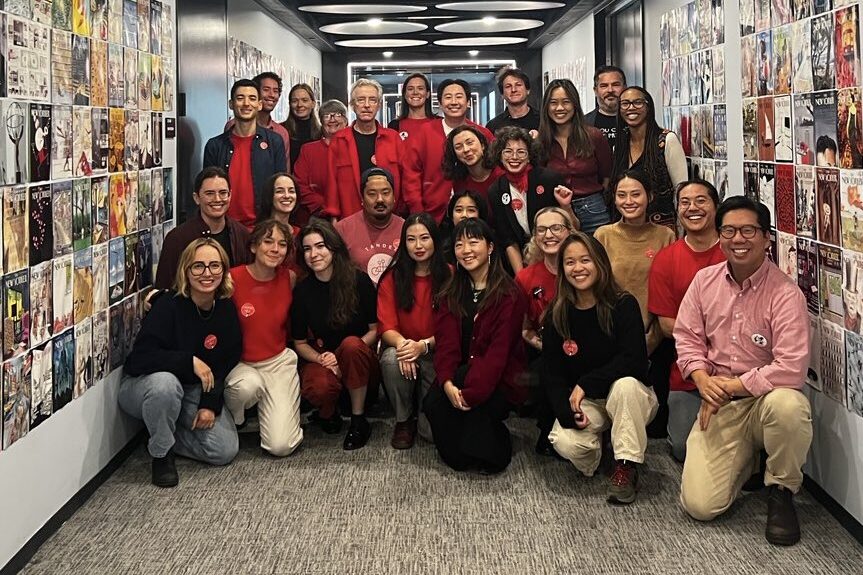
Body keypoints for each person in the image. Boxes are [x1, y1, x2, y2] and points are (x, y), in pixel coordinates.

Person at [675, 196, 812, 546]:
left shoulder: (785, 293)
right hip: (721, 404)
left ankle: (781, 490)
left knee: (790, 406)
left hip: (764, 399)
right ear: (719, 236)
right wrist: (704, 381)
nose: (738, 239)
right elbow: (686, 338)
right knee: (700, 505)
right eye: (729, 231)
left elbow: (791, 369)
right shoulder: (704, 282)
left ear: (767, 238)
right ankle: (749, 461)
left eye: (748, 230)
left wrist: (730, 386)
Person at [543, 232, 657, 505]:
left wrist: (586, 383)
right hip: (590, 403)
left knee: (625, 385)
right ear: (562, 269)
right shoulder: (557, 312)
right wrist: (567, 413)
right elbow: (551, 372)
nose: (578, 268)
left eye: (585, 260)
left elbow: (634, 360)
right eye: (570, 262)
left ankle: (626, 464)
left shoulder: (623, 304)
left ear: (600, 263)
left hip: (631, 397)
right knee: (564, 441)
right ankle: (600, 453)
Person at [118, 238, 241, 487]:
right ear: (186, 270)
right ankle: (162, 454)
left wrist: (209, 405)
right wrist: (189, 361)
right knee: (166, 384)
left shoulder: (226, 309)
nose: (207, 273)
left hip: (192, 390)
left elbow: (224, 364)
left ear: (224, 270)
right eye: (198, 266)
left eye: (215, 266)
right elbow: (139, 358)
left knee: (223, 451)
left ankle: (160, 432)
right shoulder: (168, 306)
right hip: (146, 387)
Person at [423, 218, 527, 473]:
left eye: (474, 242)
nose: (466, 250)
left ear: (490, 247)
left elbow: (498, 355)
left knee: (487, 453)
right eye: (460, 244)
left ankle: (496, 441)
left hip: (499, 379)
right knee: (434, 406)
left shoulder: (509, 294)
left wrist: (470, 394)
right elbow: (446, 345)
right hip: (460, 374)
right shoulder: (450, 292)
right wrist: (447, 384)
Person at [647, 180, 725, 462]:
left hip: (738, 371)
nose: (692, 208)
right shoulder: (666, 260)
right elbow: (668, 327)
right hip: (689, 374)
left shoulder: (735, 252)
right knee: (683, 449)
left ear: (716, 206)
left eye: (701, 200)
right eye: (685, 202)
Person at [292, 220, 379, 450]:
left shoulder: (358, 280)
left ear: (333, 247)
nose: (314, 254)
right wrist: (322, 359)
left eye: (320, 246)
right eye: (308, 249)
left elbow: (374, 331)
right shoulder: (302, 290)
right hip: (324, 358)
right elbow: (299, 342)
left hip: (358, 359)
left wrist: (341, 359)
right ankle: (328, 412)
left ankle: (359, 421)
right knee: (318, 387)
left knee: (351, 345)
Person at [224, 220, 302, 457]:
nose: (275, 249)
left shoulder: (289, 278)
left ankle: (272, 412)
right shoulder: (231, 279)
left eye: (282, 244)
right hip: (240, 363)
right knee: (248, 387)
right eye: (268, 242)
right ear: (254, 246)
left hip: (277, 362)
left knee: (281, 446)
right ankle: (235, 417)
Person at [377, 213, 451, 449]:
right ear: (403, 243)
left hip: (435, 352)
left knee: (430, 434)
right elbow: (386, 327)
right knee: (390, 359)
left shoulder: (450, 274)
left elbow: (454, 327)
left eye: (424, 238)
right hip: (404, 351)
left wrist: (424, 345)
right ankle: (403, 419)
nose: (418, 246)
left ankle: (421, 406)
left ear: (435, 240)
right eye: (411, 239)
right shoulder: (393, 276)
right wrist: (404, 346)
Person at [515, 207, 578, 456]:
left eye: (556, 228)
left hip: (586, 351)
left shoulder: (582, 269)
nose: (548, 235)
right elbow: (524, 329)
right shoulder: (525, 277)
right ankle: (548, 426)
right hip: (545, 352)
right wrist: (549, 347)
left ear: (570, 232)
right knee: (547, 367)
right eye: (541, 229)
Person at [595, 171, 675, 357]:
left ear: (650, 196)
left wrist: (652, 338)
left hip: (656, 337)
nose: (628, 201)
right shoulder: (603, 235)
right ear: (614, 199)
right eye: (621, 195)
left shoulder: (666, 235)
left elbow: (669, 292)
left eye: (636, 194)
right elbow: (598, 289)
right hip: (613, 334)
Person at [487, 126, 578, 274]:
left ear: (529, 156)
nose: (514, 157)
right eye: (508, 152)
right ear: (500, 156)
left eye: (521, 152)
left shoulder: (549, 179)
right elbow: (508, 240)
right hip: (522, 260)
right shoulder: (495, 190)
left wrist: (565, 207)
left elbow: (574, 227)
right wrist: (523, 277)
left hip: (557, 254)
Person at [403, 79, 494, 222]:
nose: (453, 102)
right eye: (447, 97)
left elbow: (495, 172)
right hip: (433, 216)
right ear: (439, 103)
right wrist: (418, 212)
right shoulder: (424, 132)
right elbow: (411, 175)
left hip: (477, 216)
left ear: (468, 102)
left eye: (459, 97)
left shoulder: (483, 134)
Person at [203, 79, 287, 228]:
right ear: (231, 104)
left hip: (263, 227)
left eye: (252, 98)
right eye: (240, 98)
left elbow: (280, 187)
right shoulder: (215, 146)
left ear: (259, 104)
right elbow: (208, 190)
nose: (246, 103)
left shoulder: (275, 142)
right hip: (225, 227)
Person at [154, 167, 251, 290]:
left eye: (223, 193)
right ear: (196, 198)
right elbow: (164, 288)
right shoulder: (177, 239)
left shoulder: (242, 235)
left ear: (230, 195)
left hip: (232, 307)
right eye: (209, 193)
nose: (217, 199)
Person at [538, 79, 614, 233]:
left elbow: (607, 177)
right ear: (546, 107)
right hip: (555, 210)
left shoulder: (594, 136)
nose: (559, 108)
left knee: (596, 255)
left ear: (574, 104)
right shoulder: (540, 142)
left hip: (593, 209)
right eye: (553, 103)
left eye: (566, 102)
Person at [611, 86, 687, 231]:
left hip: (663, 227)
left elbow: (681, 190)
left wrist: (682, 229)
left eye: (638, 102)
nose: (631, 108)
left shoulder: (666, 141)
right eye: (625, 104)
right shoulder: (619, 146)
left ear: (648, 107)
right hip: (628, 227)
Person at [325, 79, 402, 219]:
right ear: (352, 105)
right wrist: (333, 217)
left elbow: (405, 179)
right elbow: (332, 182)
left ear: (378, 105)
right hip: (350, 217)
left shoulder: (393, 138)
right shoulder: (339, 140)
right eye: (361, 100)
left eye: (372, 100)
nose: (366, 105)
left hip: (389, 217)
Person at [334, 167, 405, 285]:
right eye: (372, 194)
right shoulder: (342, 230)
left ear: (394, 197)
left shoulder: (407, 229)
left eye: (386, 193)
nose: (380, 199)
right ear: (362, 199)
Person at [293, 99, 348, 223]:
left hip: (350, 214)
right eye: (327, 116)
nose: (332, 119)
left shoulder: (354, 148)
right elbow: (299, 184)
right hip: (316, 215)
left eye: (338, 115)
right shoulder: (308, 150)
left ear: (346, 120)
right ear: (321, 121)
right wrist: (325, 206)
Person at [224, 72, 291, 169]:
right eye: (266, 89)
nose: (271, 95)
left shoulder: (281, 133)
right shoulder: (233, 125)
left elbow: (283, 173)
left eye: (275, 91)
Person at [441, 124, 504, 208]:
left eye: (470, 143)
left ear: (483, 145)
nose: (466, 150)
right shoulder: (459, 182)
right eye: (458, 147)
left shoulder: (502, 176)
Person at [438, 189, 491, 265]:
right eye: (459, 210)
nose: (464, 215)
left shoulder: (491, 240)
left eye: (471, 210)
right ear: (451, 216)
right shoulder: (443, 248)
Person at [486, 67, 541, 135]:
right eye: (508, 86)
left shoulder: (542, 121)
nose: (513, 90)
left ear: (528, 90)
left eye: (518, 85)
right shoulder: (493, 126)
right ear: (502, 94)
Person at [584, 66, 626, 151]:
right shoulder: (583, 124)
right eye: (604, 86)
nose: (610, 90)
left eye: (616, 85)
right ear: (595, 91)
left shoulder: (638, 121)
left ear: (625, 88)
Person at [387, 72, 436, 142]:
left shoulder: (440, 123)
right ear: (404, 94)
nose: (415, 92)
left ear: (427, 94)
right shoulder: (394, 126)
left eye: (420, 88)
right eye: (410, 89)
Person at [281, 83, 321, 168]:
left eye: (305, 100)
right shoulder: (280, 131)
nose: (299, 105)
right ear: (290, 104)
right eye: (295, 101)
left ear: (313, 103)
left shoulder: (321, 133)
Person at [258, 172, 300, 237]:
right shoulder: (258, 233)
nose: (287, 196)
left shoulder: (299, 233)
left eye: (291, 191)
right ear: (270, 195)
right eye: (280, 191)